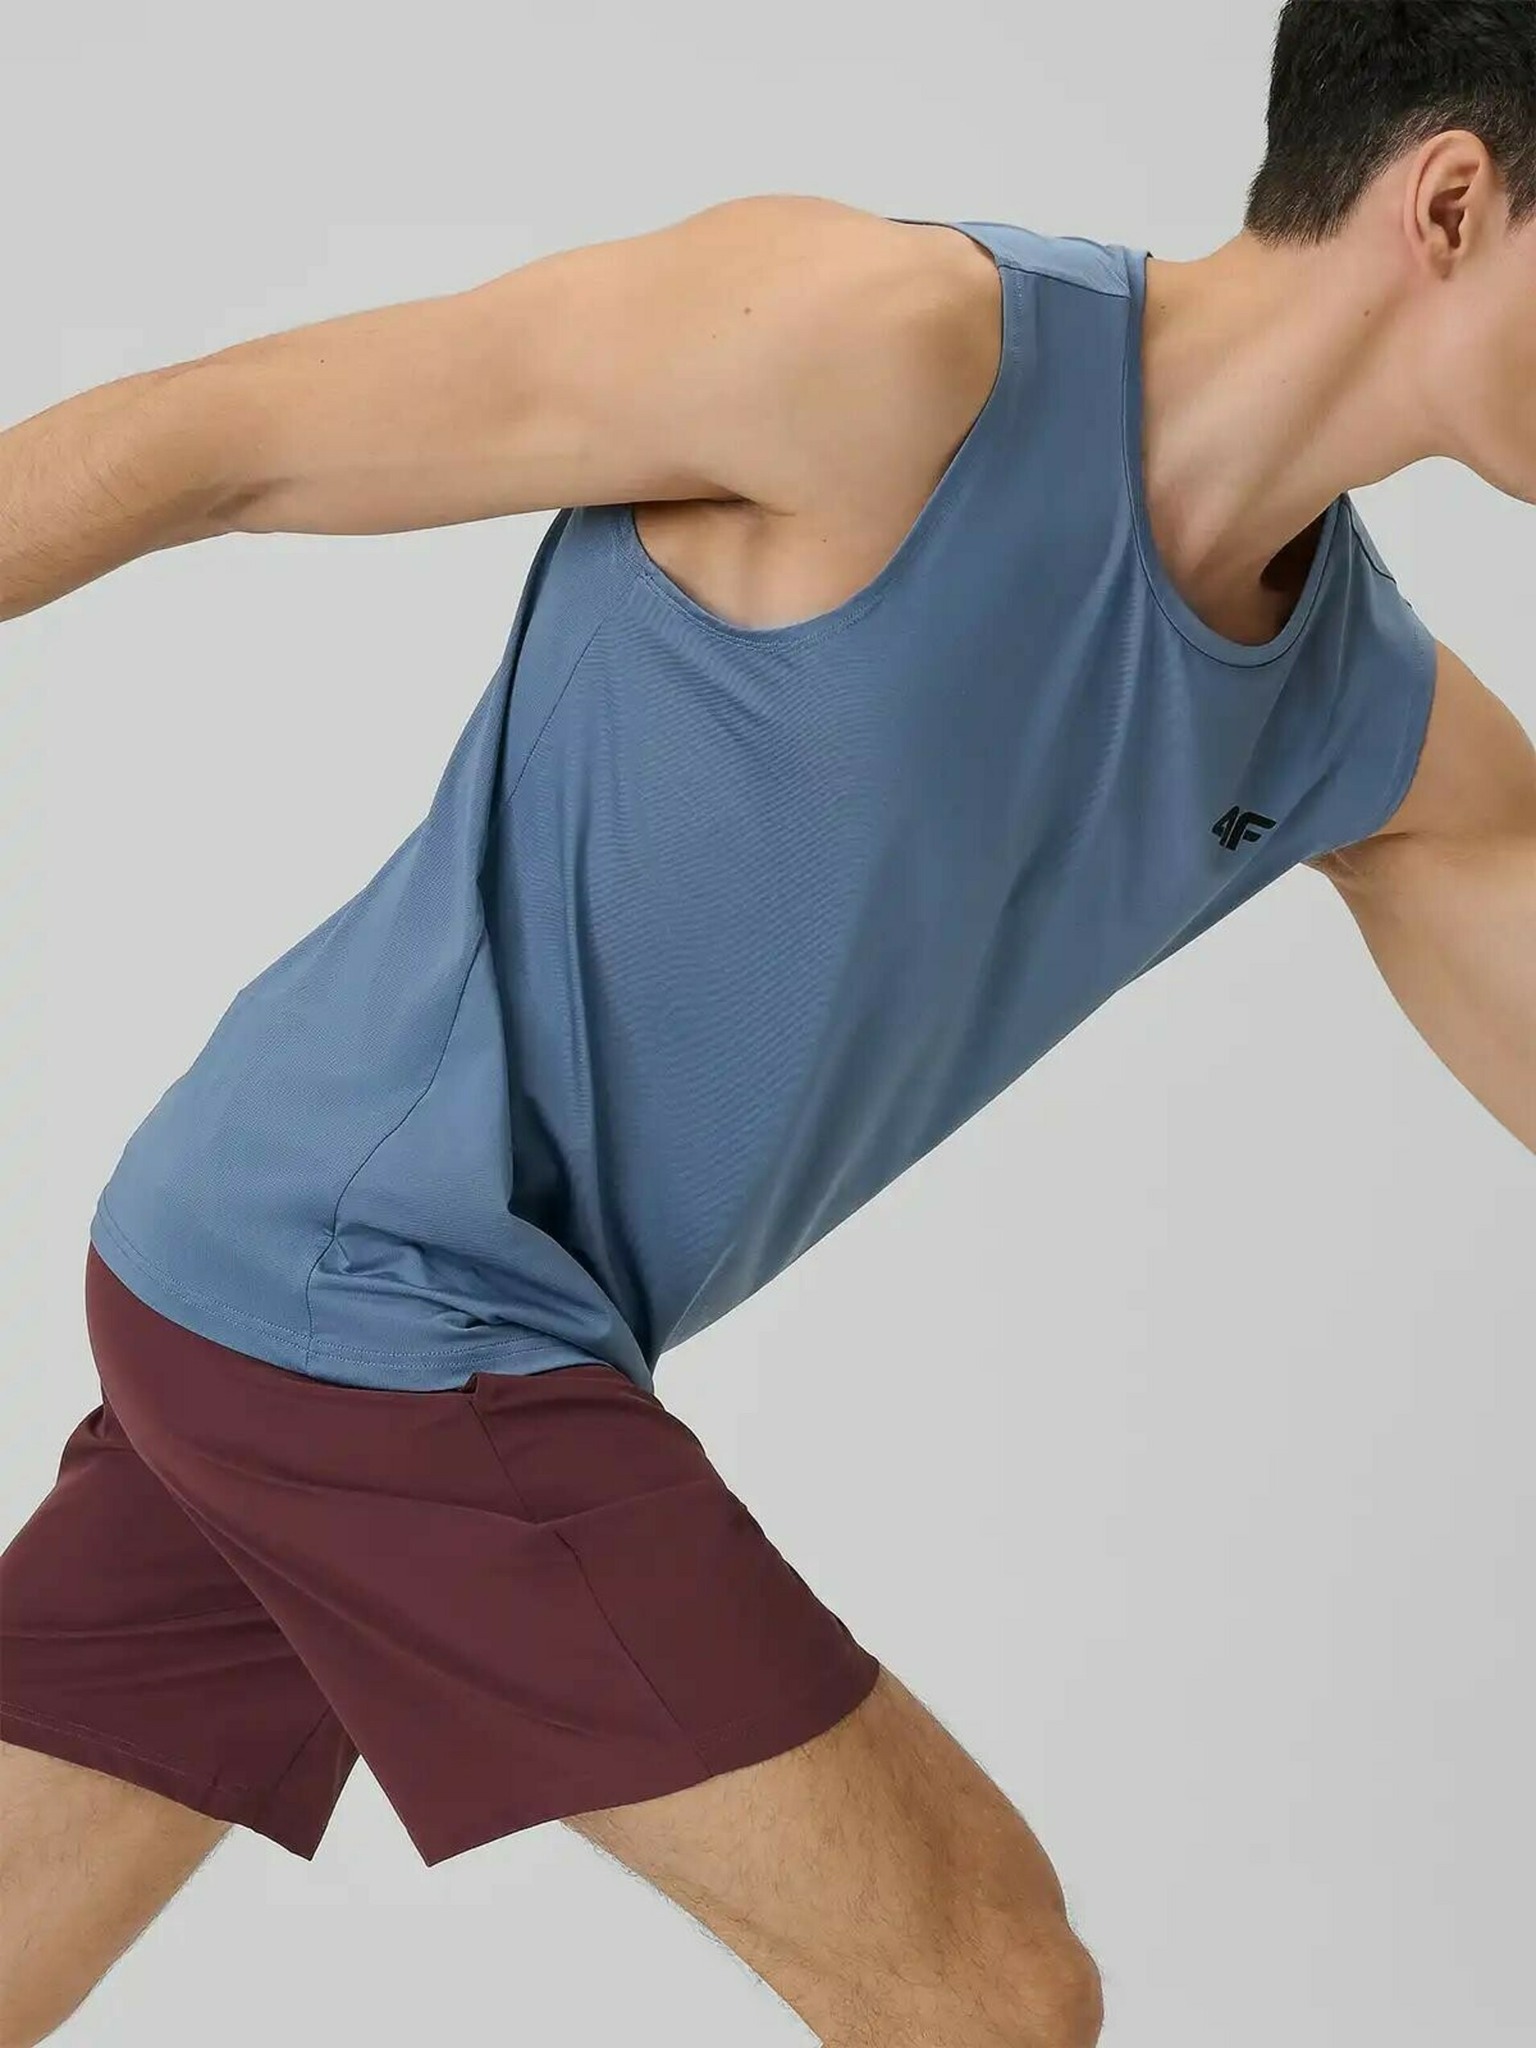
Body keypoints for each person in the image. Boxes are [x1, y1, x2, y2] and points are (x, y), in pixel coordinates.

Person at [4, 2, 1534, 2041]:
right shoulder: (879, 349)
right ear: (1453, 203)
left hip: (311, 1298)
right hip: (368, 1287)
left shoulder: (1371, 726)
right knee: (986, 1987)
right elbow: (209, 442)